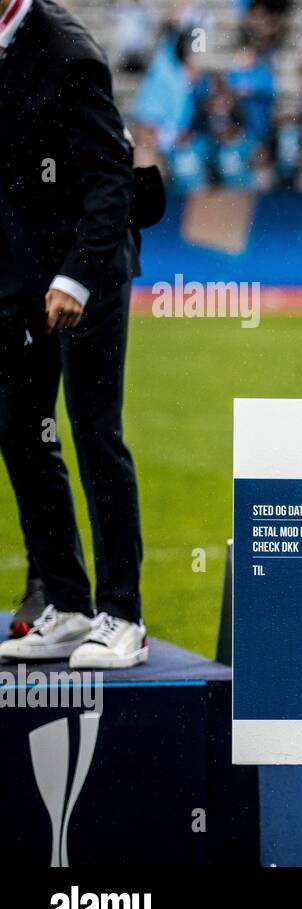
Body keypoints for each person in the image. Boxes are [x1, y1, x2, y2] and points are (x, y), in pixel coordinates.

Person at [0, 0, 147, 669]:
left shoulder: (65, 51)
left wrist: (77, 279)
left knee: (94, 432)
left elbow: (112, 179)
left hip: (87, 271)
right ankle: (66, 600)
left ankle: (123, 616)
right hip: (19, 278)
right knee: (19, 428)